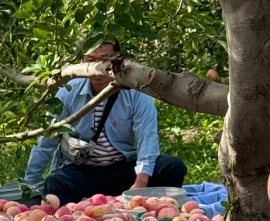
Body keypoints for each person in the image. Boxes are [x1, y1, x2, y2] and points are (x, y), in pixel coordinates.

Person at [24, 40, 187, 205]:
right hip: (83, 170)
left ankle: (155, 210)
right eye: (90, 60)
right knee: (56, 183)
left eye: (104, 60)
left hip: (124, 166)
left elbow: (147, 140)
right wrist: (30, 186)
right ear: (81, 62)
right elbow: (45, 141)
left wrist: (140, 184)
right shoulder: (68, 92)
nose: (97, 68)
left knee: (172, 167)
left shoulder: (136, 93)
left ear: (117, 60)